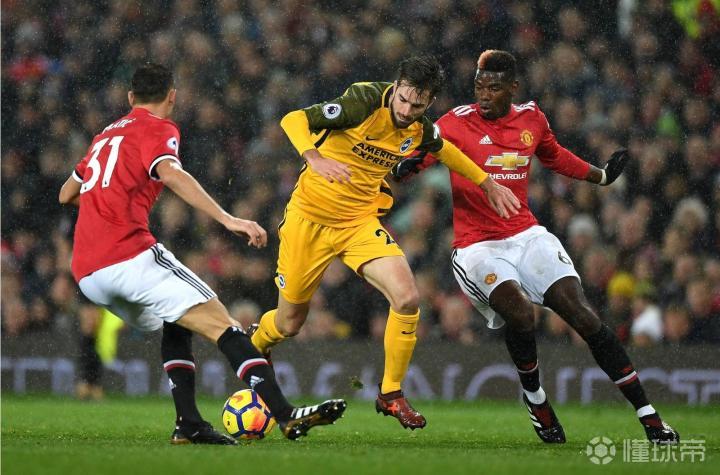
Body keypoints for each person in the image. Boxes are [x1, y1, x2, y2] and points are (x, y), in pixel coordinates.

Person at [392, 50, 679, 444]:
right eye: (479, 87)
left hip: (527, 235)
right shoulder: (454, 122)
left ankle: (650, 417)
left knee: (584, 317)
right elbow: (418, 155)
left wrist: (601, 177)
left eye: (494, 88)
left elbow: (555, 156)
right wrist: (405, 166)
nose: (484, 95)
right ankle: (535, 397)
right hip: (477, 246)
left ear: (513, 87)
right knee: (521, 313)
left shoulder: (532, 118)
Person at [58, 63, 346, 444]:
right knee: (223, 324)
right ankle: (285, 413)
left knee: (176, 318)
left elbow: (66, 194)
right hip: (128, 255)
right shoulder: (159, 127)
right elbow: (170, 173)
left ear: (130, 97)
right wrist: (228, 219)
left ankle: (188, 423)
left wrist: (107, 203)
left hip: (87, 272)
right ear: (172, 96)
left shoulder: (104, 137)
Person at [248, 54, 520, 430]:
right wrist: (314, 158)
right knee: (289, 323)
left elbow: (446, 150)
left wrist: (487, 183)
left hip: (359, 224)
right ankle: (257, 343)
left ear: (429, 102)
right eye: (403, 99)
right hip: (308, 221)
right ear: (396, 86)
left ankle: (390, 393)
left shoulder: (420, 129)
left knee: (407, 298)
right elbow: (293, 119)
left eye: (417, 105)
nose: (406, 110)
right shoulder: (362, 101)